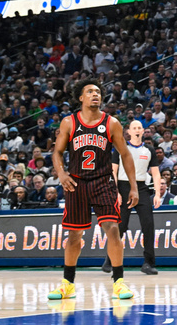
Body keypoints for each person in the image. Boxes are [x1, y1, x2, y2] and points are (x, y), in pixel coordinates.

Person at [49, 79, 138, 301]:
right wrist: (61, 173)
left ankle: (119, 282)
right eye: (89, 91)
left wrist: (133, 187)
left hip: (103, 181)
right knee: (74, 236)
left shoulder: (112, 123)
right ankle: (67, 283)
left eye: (97, 91)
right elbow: (57, 152)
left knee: (112, 228)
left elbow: (126, 155)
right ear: (80, 97)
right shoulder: (69, 122)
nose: (95, 94)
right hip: (76, 183)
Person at [102, 120, 161, 276]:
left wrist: (158, 194)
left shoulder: (149, 150)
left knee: (148, 225)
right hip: (122, 187)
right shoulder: (120, 148)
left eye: (139, 128)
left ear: (143, 131)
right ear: (128, 131)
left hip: (141, 188)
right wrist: (116, 192)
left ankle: (148, 263)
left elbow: (155, 173)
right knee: (120, 227)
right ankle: (110, 260)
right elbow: (113, 171)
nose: (137, 130)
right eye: (134, 128)